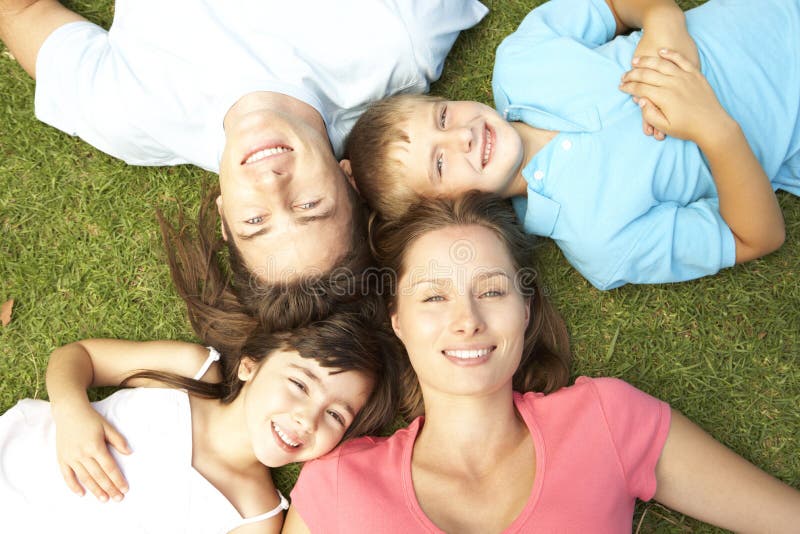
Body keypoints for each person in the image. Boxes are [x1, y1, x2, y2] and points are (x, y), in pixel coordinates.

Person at [284, 192, 800, 533]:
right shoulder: (338, 485)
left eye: (492, 291)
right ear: (397, 320)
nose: (467, 321)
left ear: (525, 310)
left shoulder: (605, 422)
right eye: (434, 297)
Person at [0, 0, 487, 294]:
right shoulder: (397, 42)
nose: (273, 185)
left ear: (225, 218)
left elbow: (22, 11)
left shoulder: (129, 114)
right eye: (309, 206)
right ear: (349, 178)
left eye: (256, 221)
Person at [342, 0, 799, 290]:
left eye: (442, 117)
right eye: (440, 164)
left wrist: (664, 19)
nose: (461, 135)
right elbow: (756, 236)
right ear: (452, 211)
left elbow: (616, 5)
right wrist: (715, 131)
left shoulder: (522, 61)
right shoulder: (601, 243)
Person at [2, 308, 400, 533]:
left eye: (335, 414)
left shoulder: (255, 516)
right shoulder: (191, 373)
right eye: (299, 384)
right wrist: (72, 411)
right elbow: (78, 357)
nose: (307, 418)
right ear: (250, 365)